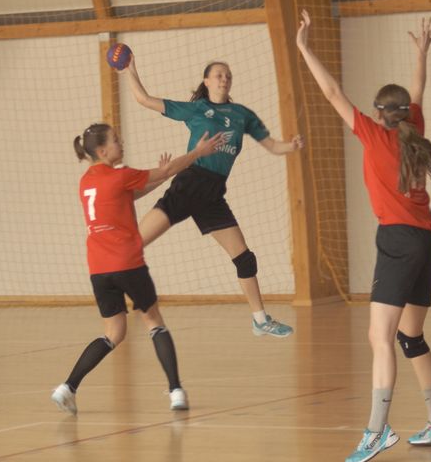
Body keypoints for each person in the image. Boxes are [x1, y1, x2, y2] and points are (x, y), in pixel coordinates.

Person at [297, 10, 431, 462]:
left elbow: (332, 92)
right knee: (410, 337)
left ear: (379, 113)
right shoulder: (414, 127)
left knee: (378, 336)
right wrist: (421, 54)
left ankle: (376, 430)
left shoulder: (374, 135)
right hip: (427, 241)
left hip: (398, 241)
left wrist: (304, 47)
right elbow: (417, 92)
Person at [120, 55, 304, 338]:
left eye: (228, 75)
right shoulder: (197, 109)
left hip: (214, 192)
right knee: (134, 244)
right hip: (190, 184)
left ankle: (260, 320)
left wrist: (290, 146)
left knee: (245, 259)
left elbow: (272, 145)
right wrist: (130, 70)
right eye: (218, 75)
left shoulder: (242, 115)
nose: (224, 79)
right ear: (206, 82)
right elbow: (144, 99)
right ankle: (113, 284)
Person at [51, 125, 222, 416]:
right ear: (102, 151)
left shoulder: (87, 182)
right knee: (154, 322)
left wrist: (163, 175)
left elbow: (128, 194)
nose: (121, 143)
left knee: (113, 333)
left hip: (99, 270)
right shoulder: (121, 175)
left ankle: (67, 388)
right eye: (115, 140)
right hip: (127, 263)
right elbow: (162, 173)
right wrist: (197, 153)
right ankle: (176, 391)